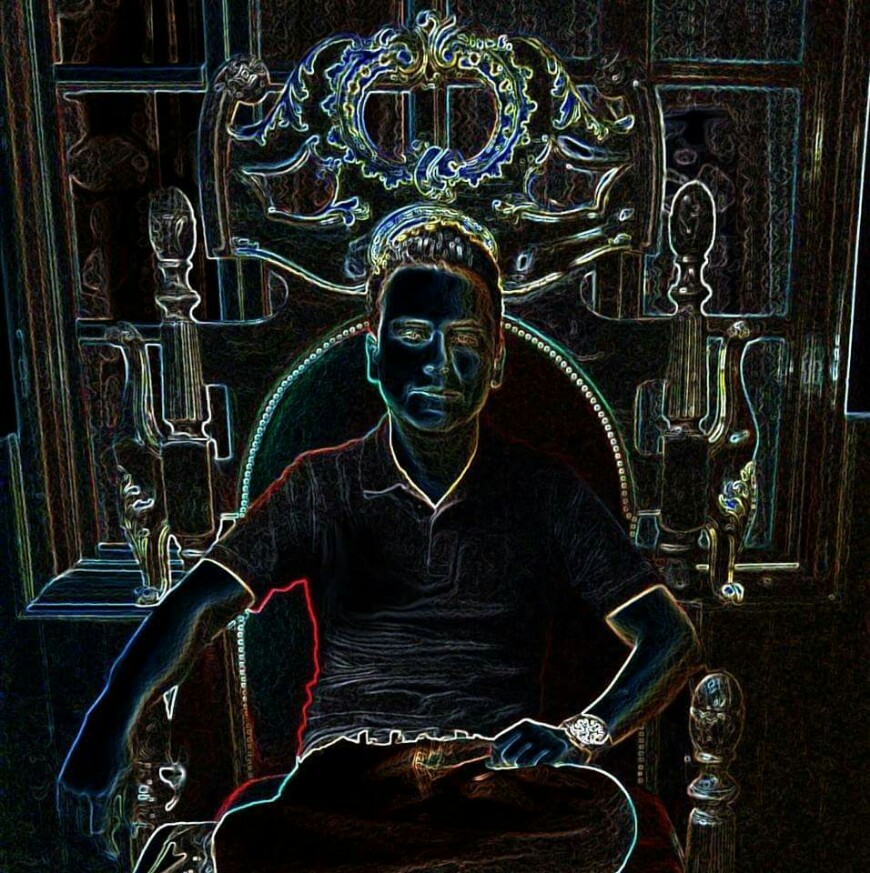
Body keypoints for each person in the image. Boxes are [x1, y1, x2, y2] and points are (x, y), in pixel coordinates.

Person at [58, 222, 701, 872]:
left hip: (490, 781)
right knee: (270, 835)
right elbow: (195, 604)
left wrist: (584, 731)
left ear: (497, 362)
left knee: (605, 817)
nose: (438, 363)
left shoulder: (547, 490)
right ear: (374, 356)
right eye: (413, 336)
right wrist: (107, 722)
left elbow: (669, 634)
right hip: (347, 781)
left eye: (464, 341)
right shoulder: (321, 484)